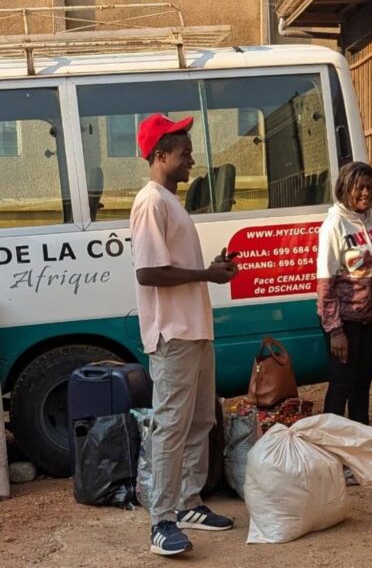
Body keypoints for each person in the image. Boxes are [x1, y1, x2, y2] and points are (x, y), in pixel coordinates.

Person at [130, 114, 238, 556]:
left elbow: (175, 268)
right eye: (184, 153)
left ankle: (190, 503)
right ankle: (161, 522)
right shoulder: (150, 202)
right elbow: (148, 271)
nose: (192, 159)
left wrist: (209, 270)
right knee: (171, 427)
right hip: (173, 334)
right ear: (160, 156)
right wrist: (207, 275)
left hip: (194, 329)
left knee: (200, 421)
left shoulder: (172, 202)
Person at [317, 161, 372, 431]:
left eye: (370, 187)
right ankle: (331, 452)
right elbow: (325, 284)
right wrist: (335, 330)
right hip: (345, 322)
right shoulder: (333, 225)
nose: (366, 193)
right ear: (344, 189)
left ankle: (360, 450)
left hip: (369, 321)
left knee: (362, 387)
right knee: (341, 387)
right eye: (359, 188)